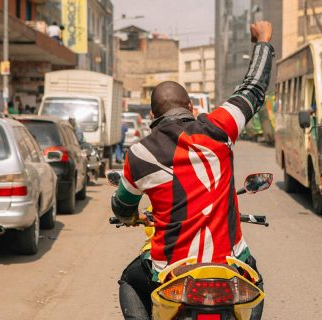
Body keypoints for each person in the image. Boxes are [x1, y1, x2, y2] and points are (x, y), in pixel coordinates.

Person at [111, 21, 274, 320]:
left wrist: (129, 217)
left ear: (151, 114)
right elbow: (253, 88)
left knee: (129, 282)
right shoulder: (220, 128)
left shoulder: (139, 154)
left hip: (170, 273)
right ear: (190, 106)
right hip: (230, 263)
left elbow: (122, 204)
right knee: (256, 281)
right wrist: (262, 41)